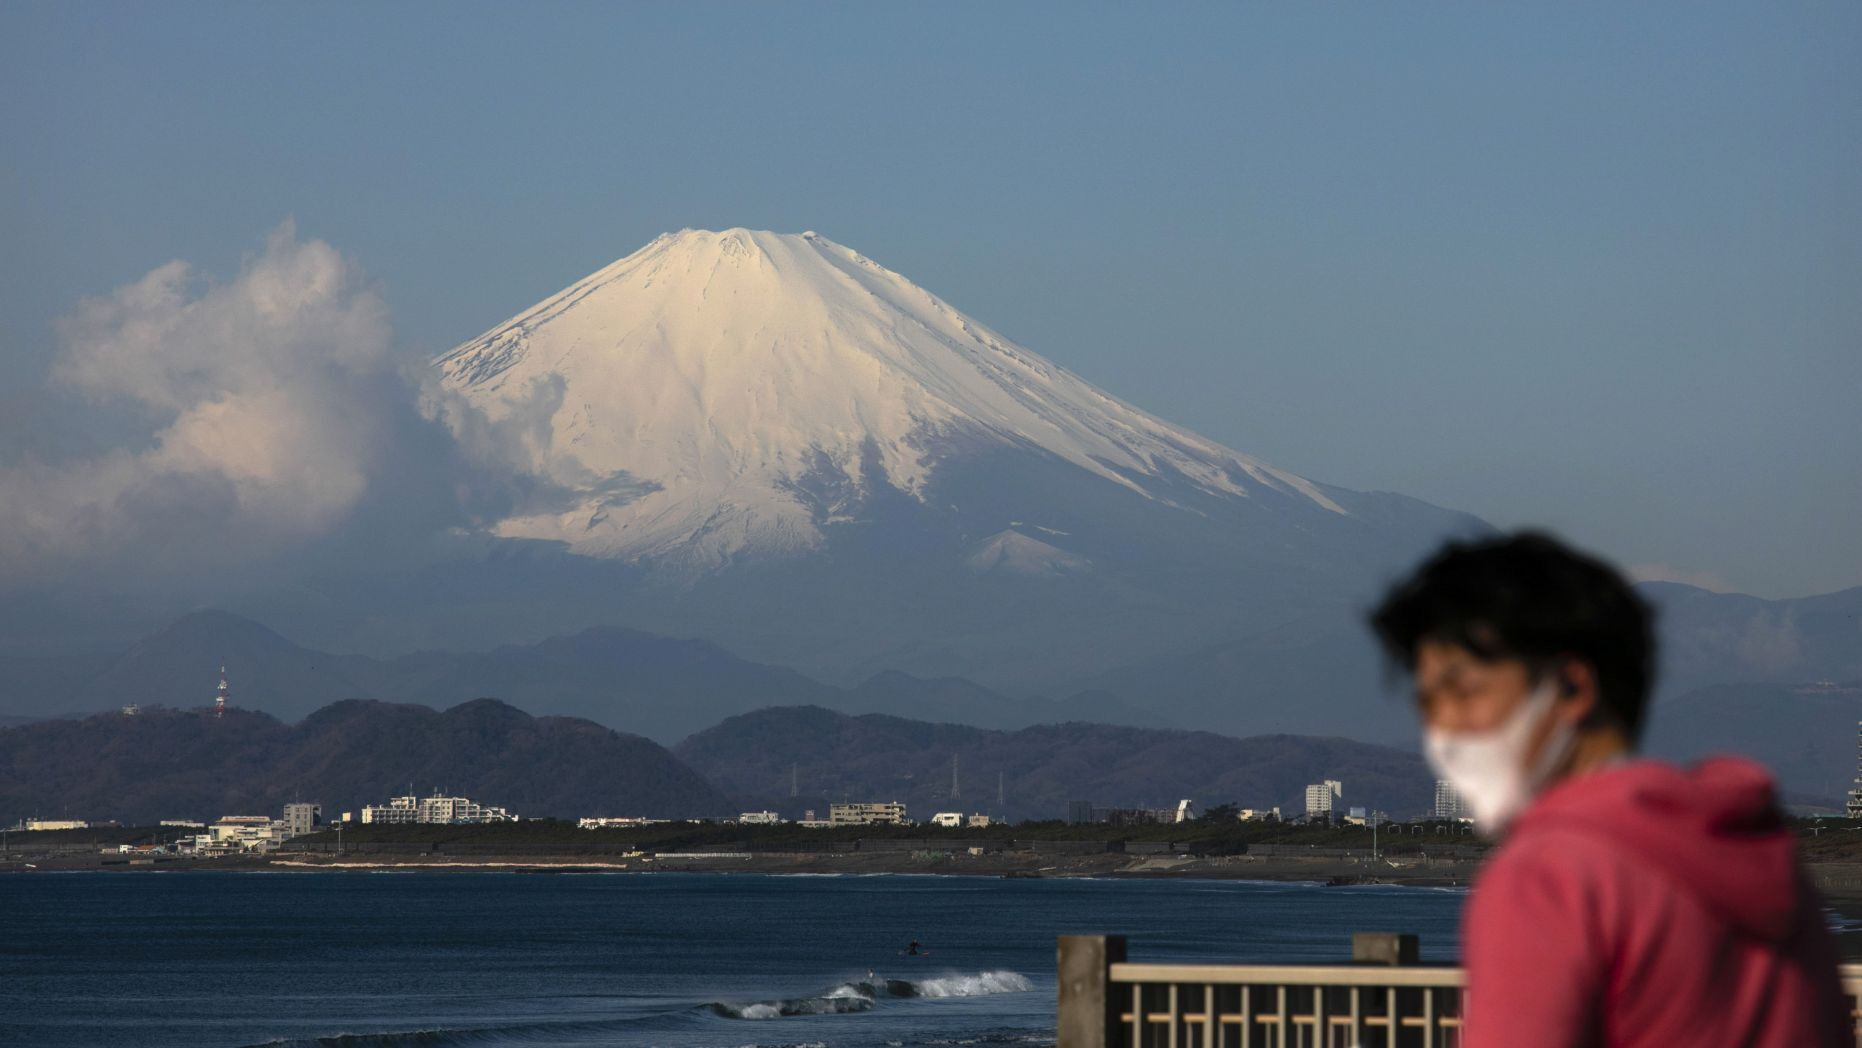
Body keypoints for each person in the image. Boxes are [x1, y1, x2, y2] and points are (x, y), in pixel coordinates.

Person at [1369, 531, 1848, 1047]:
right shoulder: (1764, 860)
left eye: (1464, 693)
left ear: (1572, 687)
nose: (1444, 730)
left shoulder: (1552, 876)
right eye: (1430, 703)